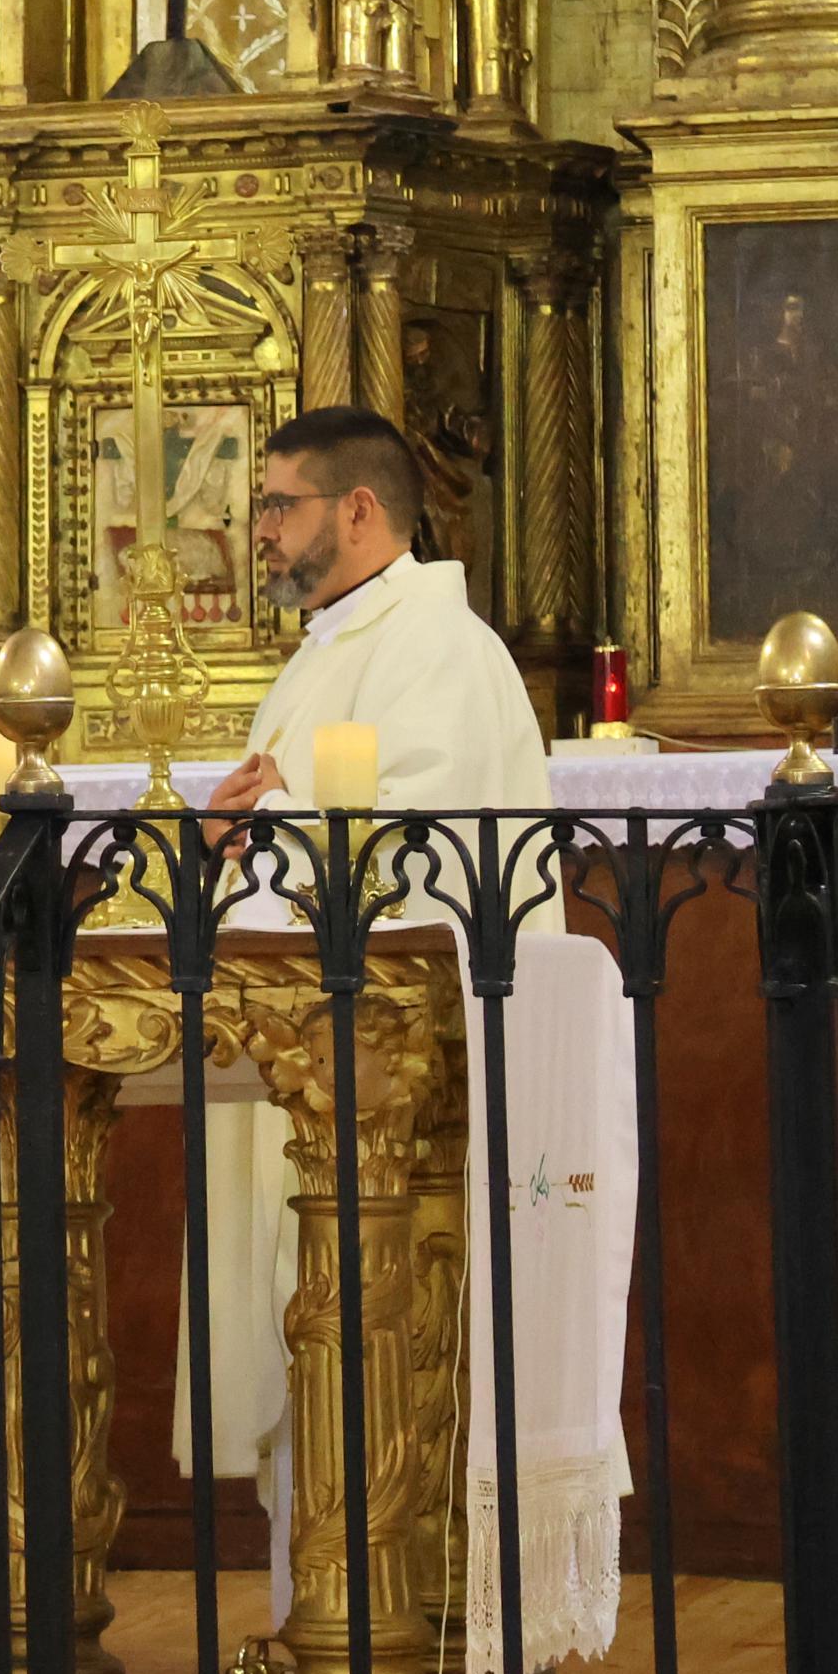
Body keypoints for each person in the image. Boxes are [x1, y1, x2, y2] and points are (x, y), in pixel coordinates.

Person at [186, 408, 561, 1609]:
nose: (258, 532)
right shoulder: (324, 654)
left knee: (390, 1351)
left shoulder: (439, 650)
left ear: (355, 511)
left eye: (276, 506)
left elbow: (427, 839)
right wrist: (232, 838)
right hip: (315, 1066)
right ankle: (326, 1641)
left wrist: (270, 826)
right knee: (322, 1351)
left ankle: (410, 1648)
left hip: (405, 1093)